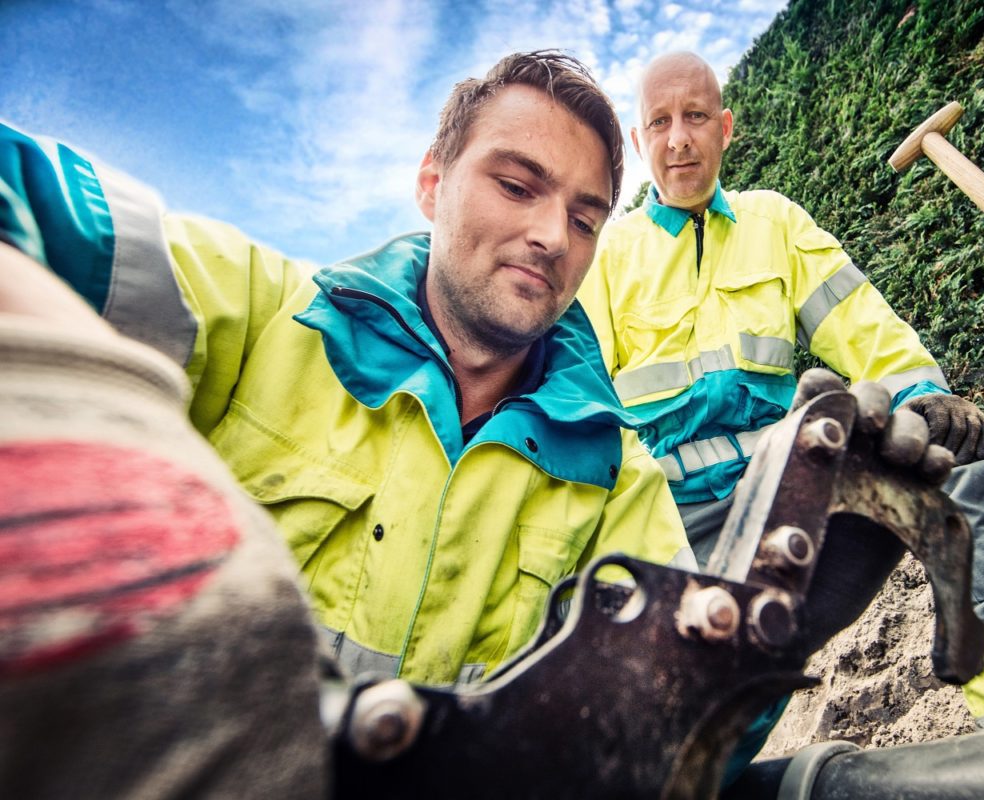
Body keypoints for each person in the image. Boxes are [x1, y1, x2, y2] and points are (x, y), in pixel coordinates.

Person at [0, 50, 693, 690]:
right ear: (432, 183)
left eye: (584, 220)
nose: (551, 235)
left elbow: (688, 690)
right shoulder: (266, 315)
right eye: (516, 186)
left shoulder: (611, 471)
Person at [578, 51, 984, 732]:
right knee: (677, 713)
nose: (678, 138)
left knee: (964, 461)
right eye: (659, 122)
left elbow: (862, 324)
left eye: (694, 117)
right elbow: (583, 415)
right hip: (670, 528)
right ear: (638, 142)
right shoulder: (607, 255)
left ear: (726, 127)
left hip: (785, 501)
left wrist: (922, 397)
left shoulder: (774, 223)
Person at [0, 243, 330, 797]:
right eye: (513, 185)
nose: (535, 233)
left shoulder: (535, 446)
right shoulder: (269, 300)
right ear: (431, 184)